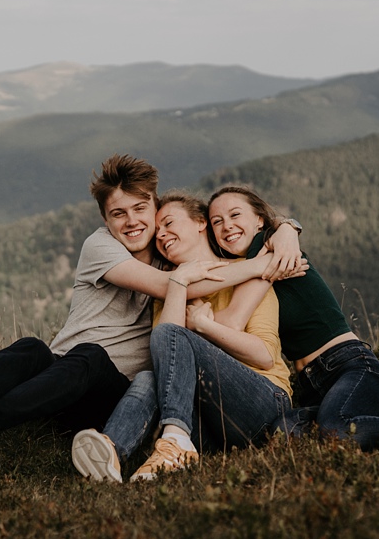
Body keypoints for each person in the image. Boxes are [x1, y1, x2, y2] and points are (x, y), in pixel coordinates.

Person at [0, 154, 304, 468]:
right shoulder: (103, 248)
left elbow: (217, 253)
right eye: (118, 214)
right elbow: (174, 283)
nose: (132, 222)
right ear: (105, 219)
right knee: (35, 349)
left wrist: (285, 226)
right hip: (63, 376)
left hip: (113, 394)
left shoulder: (170, 254)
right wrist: (262, 265)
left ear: (154, 206)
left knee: (88, 358)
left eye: (140, 210)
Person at [204, 184, 379, 451]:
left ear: (259, 221)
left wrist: (195, 313)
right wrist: (290, 226)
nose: (227, 225)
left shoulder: (265, 249)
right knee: (283, 436)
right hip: (312, 387)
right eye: (216, 221)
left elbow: (231, 321)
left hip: (349, 366)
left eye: (235, 214)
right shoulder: (248, 268)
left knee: (337, 431)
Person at [71, 192, 297, 481]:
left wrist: (205, 326)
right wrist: (180, 281)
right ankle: (111, 454)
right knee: (150, 376)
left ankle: (174, 440)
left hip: (264, 405)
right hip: (212, 428)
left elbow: (264, 356)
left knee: (171, 335)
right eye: (158, 233)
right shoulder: (167, 296)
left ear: (201, 222)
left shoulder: (248, 274)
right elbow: (166, 362)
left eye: (168, 223)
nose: (161, 235)